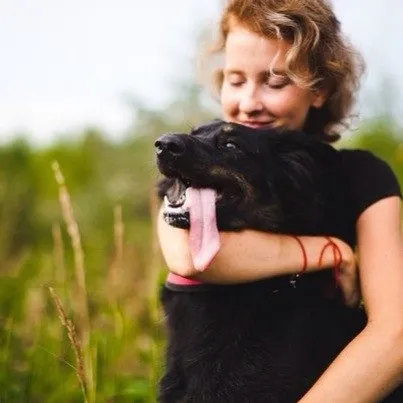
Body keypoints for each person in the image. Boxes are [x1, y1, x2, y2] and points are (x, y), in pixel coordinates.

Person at [157, 0, 403, 401]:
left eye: (274, 82)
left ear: (319, 89)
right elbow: (192, 257)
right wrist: (328, 252)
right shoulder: (199, 157)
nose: (250, 102)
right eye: (236, 81)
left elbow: (394, 333)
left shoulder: (361, 176)